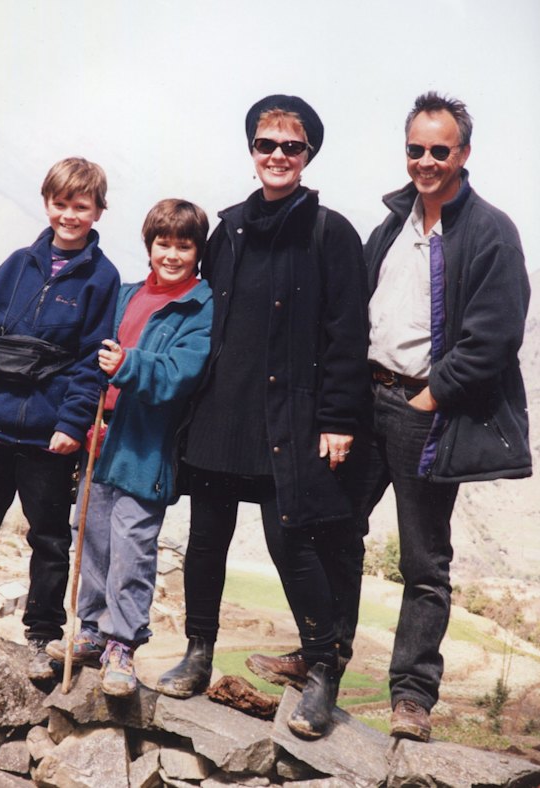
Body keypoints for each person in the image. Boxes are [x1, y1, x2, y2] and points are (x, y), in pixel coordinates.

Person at [248, 91, 532, 743]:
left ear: (464, 153)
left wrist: (433, 395)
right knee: (332, 531)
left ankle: (412, 696)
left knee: (424, 561)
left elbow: (495, 334)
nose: (425, 161)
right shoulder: (393, 223)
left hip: (426, 412)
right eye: (415, 149)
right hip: (364, 400)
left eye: (439, 149)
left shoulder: (489, 232)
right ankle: (321, 660)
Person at [155, 95, 370, 740]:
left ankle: (322, 674)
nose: (277, 156)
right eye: (265, 144)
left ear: (308, 156)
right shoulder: (228, 230)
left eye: (291, 147)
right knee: (207, 536)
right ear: (251, 152)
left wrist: (338, 419)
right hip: (224, 408)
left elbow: (346, 334)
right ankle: (197, 654)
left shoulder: (332, 234)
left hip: (293, 419)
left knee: (291, 542)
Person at [0, 157, 120, 679]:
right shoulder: (17, 264)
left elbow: (92, 361)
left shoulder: (102, 277)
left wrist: (72, 425)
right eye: (60, 203)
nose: (69, 215)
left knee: (49, 538)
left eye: (81, 206)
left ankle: (43, 634)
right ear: (47, 203)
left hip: (49, 437)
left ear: (98, 210)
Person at [46, 199, 213, 696]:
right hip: (101, 437)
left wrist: (128, 364)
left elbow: (181, 374)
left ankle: (122, 643)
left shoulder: (200, 307)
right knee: (91, 533)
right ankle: (94, 633)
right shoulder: (124, 295)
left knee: (132, 545)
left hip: (146, 446)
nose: (173, 254)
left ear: (198, 251)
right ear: (150, 245)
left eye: (185, 245)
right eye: (164, 243)